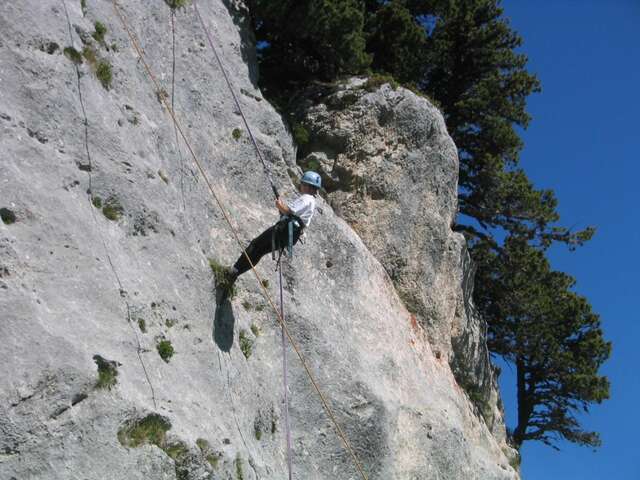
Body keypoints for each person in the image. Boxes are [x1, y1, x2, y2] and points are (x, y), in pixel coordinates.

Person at [218, 171, 321, 299]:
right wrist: (283, 210)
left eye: (303, 184)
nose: (301, 186)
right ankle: (235, 273)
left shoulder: (306, 198)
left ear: (308, 186)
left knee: (255, 245)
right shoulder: (312, 202)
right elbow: (293, 215)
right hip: (288, 236)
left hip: (282, 230)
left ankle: (234, 271)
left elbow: (288, 210)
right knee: (260, 251)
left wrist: (279, 205)